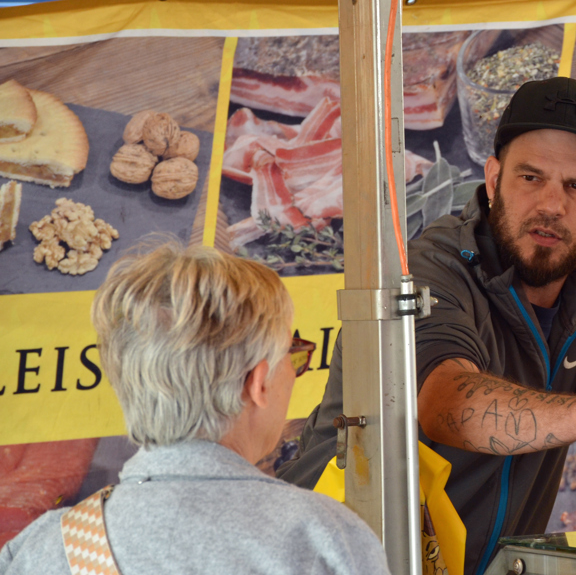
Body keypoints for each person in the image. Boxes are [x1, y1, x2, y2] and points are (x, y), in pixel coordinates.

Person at [279, 77, 576, 574]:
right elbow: (443, 403)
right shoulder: (433, 264)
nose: (552, 205)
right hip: (334, 560)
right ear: (492, 181)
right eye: (531, 178)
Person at [0, 241, 390, 575]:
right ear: (257, 383)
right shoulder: (322, 540)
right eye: (293, 354)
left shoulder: (46, 550)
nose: (295, 369)